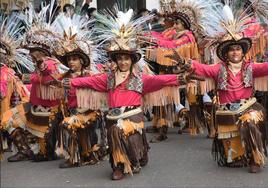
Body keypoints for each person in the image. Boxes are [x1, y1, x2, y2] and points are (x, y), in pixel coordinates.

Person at [62, 7, 184, 180]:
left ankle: (121, 165)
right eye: (119, 58)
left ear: (131, 60)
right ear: (116, 61)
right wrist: (71, 82)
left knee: (117, 131)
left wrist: (180, 79)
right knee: (115, 130)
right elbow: (87, 81)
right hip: (112, 118)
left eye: (126, 58)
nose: (123, 61)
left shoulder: (140, 78)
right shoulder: (107, 78)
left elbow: (161, 80)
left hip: (132, 119)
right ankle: (123, 161)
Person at [170, 3, 268, 173]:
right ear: (226, 53)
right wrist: (185, 62)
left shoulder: (251, 67)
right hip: (226, 110)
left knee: (250, 122)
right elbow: (202, 68)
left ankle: (255, 158)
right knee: (233, 159)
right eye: (231, 50)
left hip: (247, 108)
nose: (235, 52)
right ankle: (238, 155)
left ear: (243, 52)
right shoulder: (218, 68)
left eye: (238, 49)